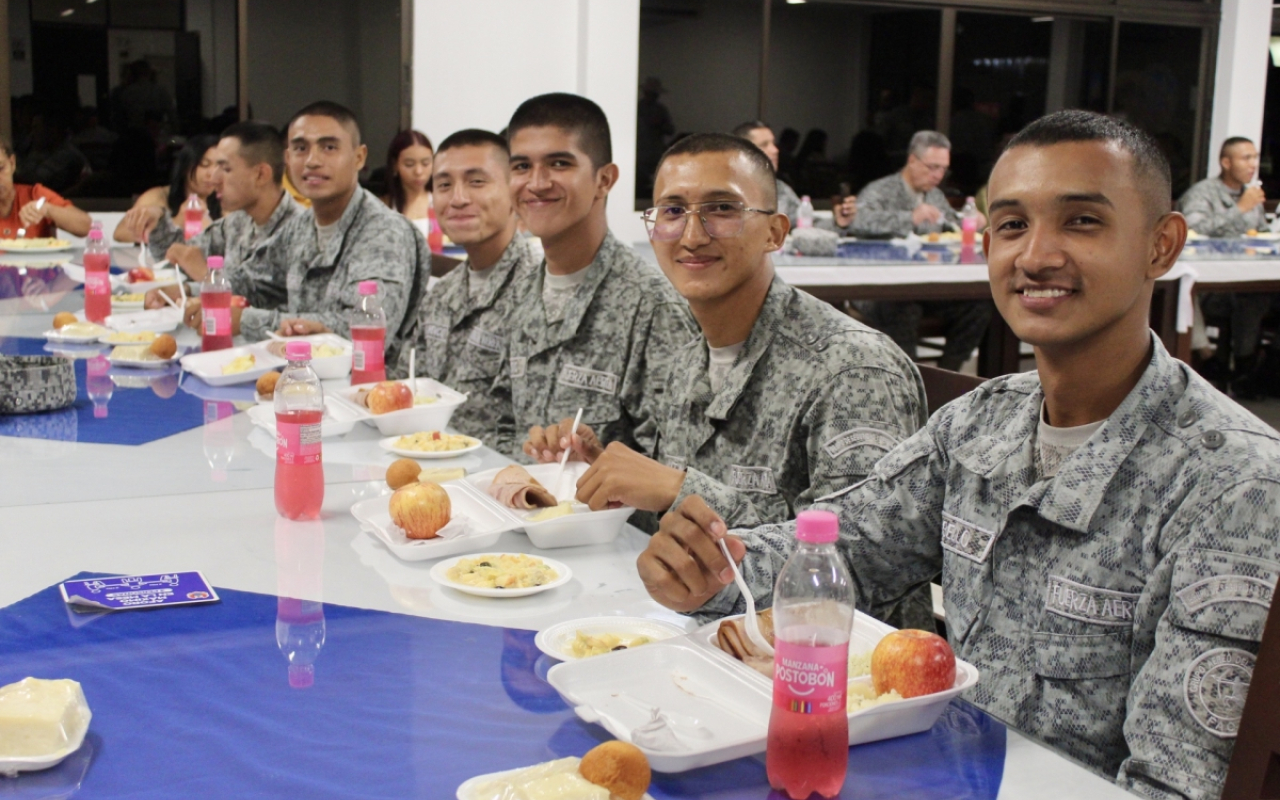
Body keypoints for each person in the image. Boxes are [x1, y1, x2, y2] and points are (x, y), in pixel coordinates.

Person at [639, 110, 1280, 800]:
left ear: (1162, 244)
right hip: (927, 768)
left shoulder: (1234, 484)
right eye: (1010, 226)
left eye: (1082, 222)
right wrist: (711, 567)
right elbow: (846, 546)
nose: (1036, 256)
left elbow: (1175, 783)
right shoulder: (980, 423)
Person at [525, 135, 927, 592]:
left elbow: (869, 560)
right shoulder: (686, 362)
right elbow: (671, 528)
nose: (693, 236)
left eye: (722, 210)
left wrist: (680, 488)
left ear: (775, 232)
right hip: (696, 628)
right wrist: (607, 477)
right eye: (672, 212)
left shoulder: (853, 369)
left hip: (813, 655)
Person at [498, 92, 697, 461]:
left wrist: (598, 465)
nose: (537, 183)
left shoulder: (652, 307)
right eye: (521, 166)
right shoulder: (520, 289)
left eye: (559, 163)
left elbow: (679, 470)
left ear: (604, 180)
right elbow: (500, 421)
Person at [226, 102, 430, 372]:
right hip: (301, 380)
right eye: (300, 149)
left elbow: (365, 330)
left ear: (359, 157)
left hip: (366, 394)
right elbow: (253, 281)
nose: (312, 161)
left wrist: (247, 320)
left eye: (329, 147)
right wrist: (199, 295)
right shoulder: (301, 226)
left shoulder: (384, 231)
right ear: (288, 159)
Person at [393, 129, 537, 452]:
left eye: (476, 182)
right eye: (444, 185)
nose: (457, 198)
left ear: (514, 190)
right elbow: (407, 389)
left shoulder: (539, 291)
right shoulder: (441, 296)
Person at [853, 130, 991, 370]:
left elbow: (951, 224)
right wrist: (909, 218)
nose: (938, 176)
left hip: (927, 285)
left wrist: (970, 221)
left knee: (978, 306)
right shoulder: (880, 190)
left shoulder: (934, 195)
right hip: (883, 289)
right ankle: (910, 379)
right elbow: (858, 222)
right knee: (904, 309)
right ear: (912, 161)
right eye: (932, 167)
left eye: (943, 169)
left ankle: (950, 373)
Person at [142, 122, 302, 319]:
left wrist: (205, 275)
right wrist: (157, 221)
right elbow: (175, 257)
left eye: (225, 169)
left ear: (260, 174)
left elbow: (272, 303)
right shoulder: (238, 221)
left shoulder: (300, 229)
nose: (214, 179)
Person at [1179, 137, 1274, 397]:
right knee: (1244, 298)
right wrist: (1240, 208)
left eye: (1255, 157)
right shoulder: (1203, 193)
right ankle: (1211, 362)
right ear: (1226, 162)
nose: (1253, 164)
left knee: (1256, 296)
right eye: (1246, 158)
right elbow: (1192, 229)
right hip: (1210, 288)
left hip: (1242, 280)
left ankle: (1244, 369)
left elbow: (1260, 230)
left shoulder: (1250, 193)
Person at [731, 121, 855, 233]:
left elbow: (806, 224)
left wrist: (838, 223)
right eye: (764, 145)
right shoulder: (721, 189)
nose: (775, 150)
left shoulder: (780, 190)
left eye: (774, 143)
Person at [115, 134, 221, 258]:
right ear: (185, 166)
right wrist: (173, 224)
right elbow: (121, 233)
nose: (212, 174)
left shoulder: (226, 200)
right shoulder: (159, 196)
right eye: (204, 165)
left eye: (219, 166)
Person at [0, 136, 91, 239]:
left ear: (12, 163)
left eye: (1, 168)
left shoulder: (34, 194)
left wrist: (48, 210)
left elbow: (85, 227)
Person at [383, 130, 441, 248]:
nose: (418, 171)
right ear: (395, 165)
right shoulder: (383, 207)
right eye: (409, 164)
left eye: (425, 163)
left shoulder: (441, 203)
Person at [635, 76, 675, 197]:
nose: (653, 96)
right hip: (639, 153)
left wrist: (660, 124)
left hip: (656, 152)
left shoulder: (661, 110)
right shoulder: (637, 108)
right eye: (651, 93)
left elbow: (670, 130)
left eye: (655, 93)